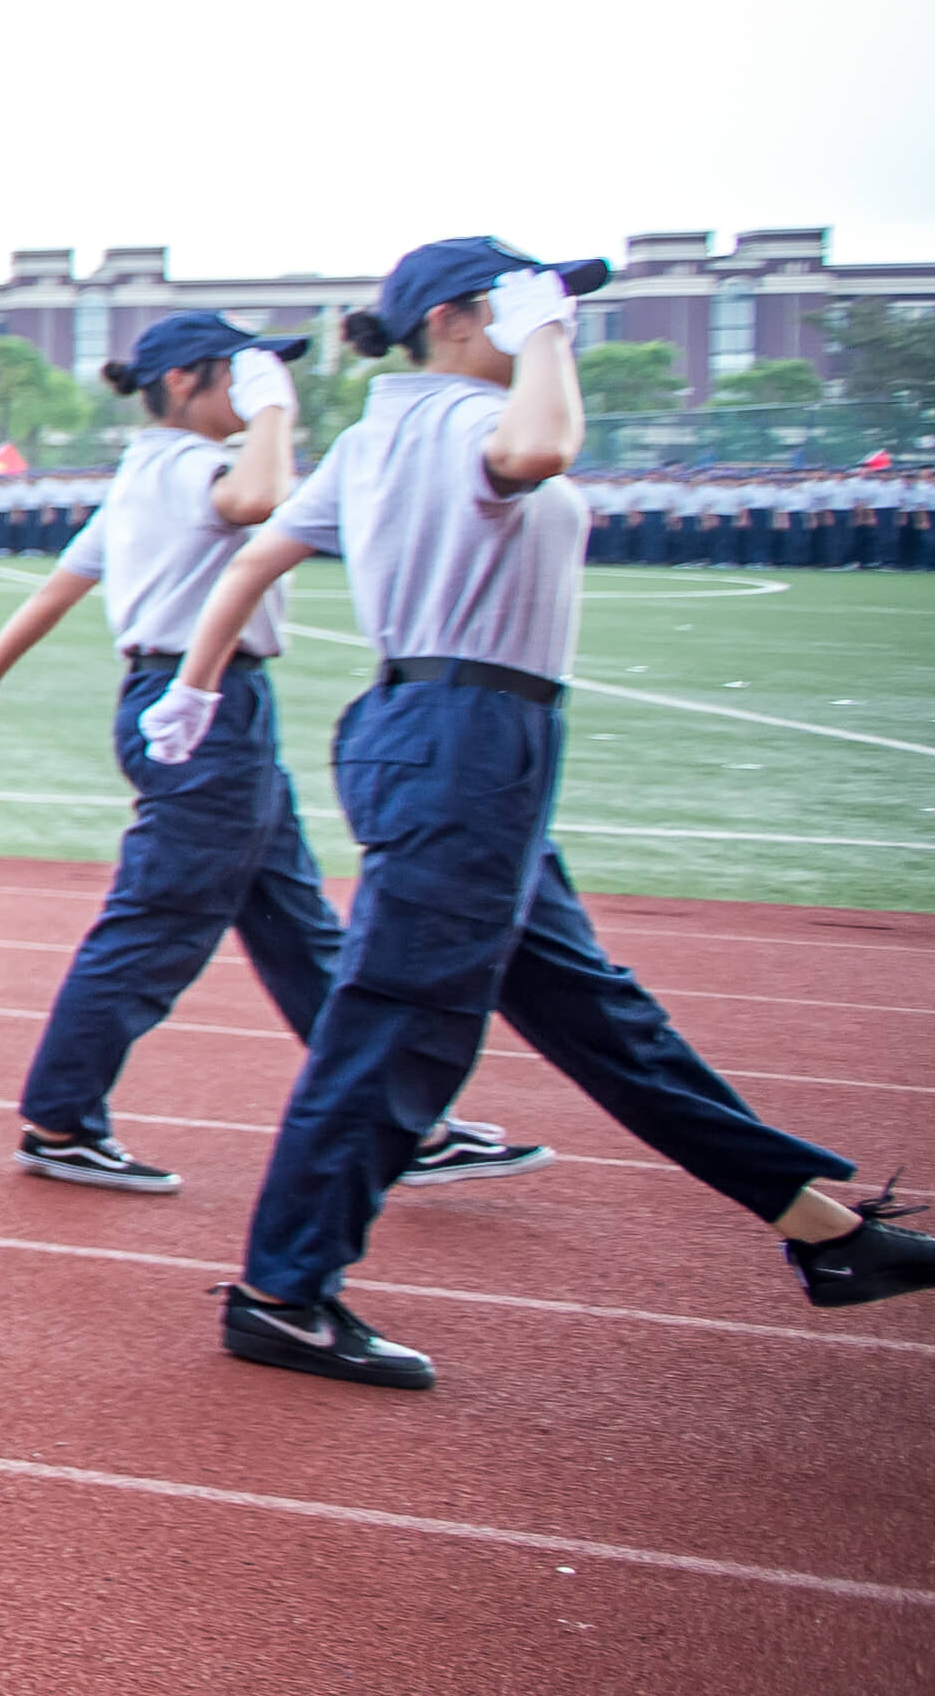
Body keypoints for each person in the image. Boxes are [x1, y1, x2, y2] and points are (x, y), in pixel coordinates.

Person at [158, 240, 931, 1385]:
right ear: (457, 319)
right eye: (521, 302)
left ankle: (823, 1228)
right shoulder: (470, 421)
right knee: (398, 1025)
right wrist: (549, 338)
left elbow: (254, 563)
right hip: (467, 736)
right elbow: (542, 448)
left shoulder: (375, 437)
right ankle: (284, 1294)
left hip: (450, 735)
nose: (550, 319)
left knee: (596, 1012)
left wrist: (193, 684)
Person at [0, 310, 534, 1197]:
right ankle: (60, 1119)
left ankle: (395, 1116)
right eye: (241, 373)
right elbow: (259, 501)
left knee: (300, 928)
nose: (256, 389)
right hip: (200, 707)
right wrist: (275, 414)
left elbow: (61, 588)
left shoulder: (144, 472)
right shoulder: (186, 467)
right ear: (185, 381)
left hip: (205, 701)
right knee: (158, 921)